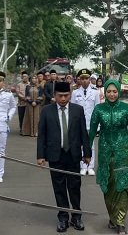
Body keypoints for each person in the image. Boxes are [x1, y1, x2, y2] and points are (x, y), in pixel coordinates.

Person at [37, 81, 92, 232]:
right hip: (55, 155)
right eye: (60, 96)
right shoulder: (47, 111)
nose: (63, 99)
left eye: (66, 95)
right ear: (54, 95)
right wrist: (40, 155)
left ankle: (76, 216)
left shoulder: (77, 110)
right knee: (59, 187)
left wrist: (87, 154)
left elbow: (83, 133)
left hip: (73, 154)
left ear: (70, 95)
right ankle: (63, 217)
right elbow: (41, 134)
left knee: (74, 186)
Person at [88, 79, 128, 235]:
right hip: (104, 150)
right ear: (105, 93)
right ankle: (112, 216)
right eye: (109, 91)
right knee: (108, 184)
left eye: (114, 91)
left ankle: (120, 221)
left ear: (119, 92)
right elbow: (92, 131)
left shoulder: (127, 109)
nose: (112, 94)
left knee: (121, 184)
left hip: (123, 150)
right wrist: (87, 151)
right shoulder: (98, 109)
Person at [71, 68, 101, 176]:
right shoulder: (75, 93)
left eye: (86, 78)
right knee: (79, 145)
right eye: (82, 78)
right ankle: (82, 166)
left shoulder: (95, 92)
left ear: (89, 79)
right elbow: (72, 109)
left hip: (91, 123)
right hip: (78, 124)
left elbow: (97, 109)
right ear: (79, 79)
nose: (84, 80)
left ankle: (91, 166)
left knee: (91, 145)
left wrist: (98, 125)